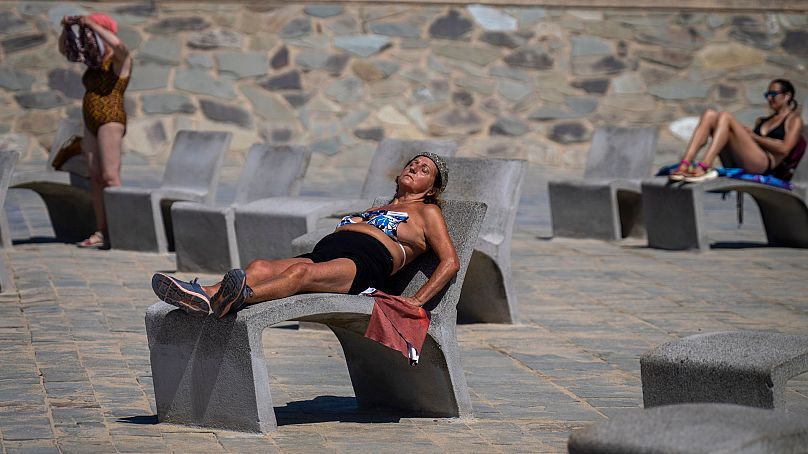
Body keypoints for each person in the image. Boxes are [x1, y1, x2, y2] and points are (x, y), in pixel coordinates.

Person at [151, 153, 460, 319]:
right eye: (413, 164)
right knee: (259, 266)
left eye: (423, 170)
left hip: (366, 264)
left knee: (300, 272)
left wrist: (416, 301)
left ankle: (240, 298)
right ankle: (204, 296)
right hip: (327, 254)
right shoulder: (378, 206)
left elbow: (450, 261)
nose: (414, 168)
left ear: (431, 188)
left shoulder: (427, 212)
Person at [58, 13, 132, 248]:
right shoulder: (94, 61)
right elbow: (65, 51)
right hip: (91, 120)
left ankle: (121, 231)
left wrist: (93, 24)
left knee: (111, 176)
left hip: (110, 118)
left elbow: (121, 47)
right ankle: (102, 232)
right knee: (96, 177)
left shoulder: (120, 61)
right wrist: (66, 28)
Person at [670, 79, 804, 183]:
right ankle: (685, 163)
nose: (769, 98)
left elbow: (784, 149)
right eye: (767, 94)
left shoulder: (793, 119)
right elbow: (749, 145)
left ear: (787, 96)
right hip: (745, 160)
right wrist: (749, 136)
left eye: (773, 94)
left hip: (763, 165)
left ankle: (705, 165)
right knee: (710, 114)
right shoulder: (761, 120)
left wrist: (753, 137)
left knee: (725, 117)